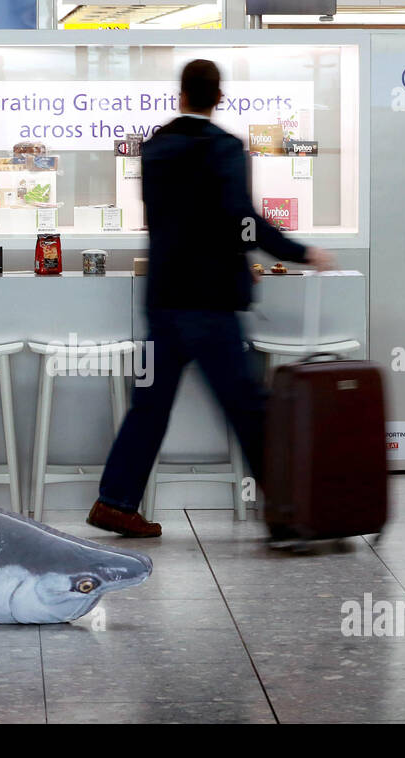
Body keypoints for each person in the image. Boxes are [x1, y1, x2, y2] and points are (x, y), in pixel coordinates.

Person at [86, 59, 331, 539]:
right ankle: (285, 507)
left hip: (164, 299)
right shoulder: (225, 148)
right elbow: (242, 221)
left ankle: (115, 502)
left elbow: (172, 220)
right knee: (245, 404)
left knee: (150, 406)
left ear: (180, 95)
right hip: (209, 304)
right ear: (219, 98)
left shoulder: (154, 148)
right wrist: (301, 252)